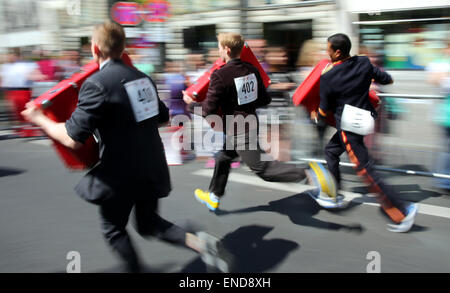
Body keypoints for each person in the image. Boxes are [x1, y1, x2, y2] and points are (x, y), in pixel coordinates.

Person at [21, 22, 233, 273]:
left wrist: (39, 119)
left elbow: (72, 137)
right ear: (123, 48)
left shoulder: (96, 83)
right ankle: (201, 243)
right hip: (151, 165)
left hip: (119, 173)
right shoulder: (142, 78)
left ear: (95, 48)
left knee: (113, 230)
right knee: (148, 224)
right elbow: (163, 117)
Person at [183, 32, 344, 212]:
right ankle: (214, 196)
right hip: (250, 122)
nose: (218, 51)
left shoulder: (220, 75)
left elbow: (208, 110)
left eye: (219, 47)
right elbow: (264, 100)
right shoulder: (251, 69)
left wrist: (191, 105)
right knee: (224, 157)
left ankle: (310, 174)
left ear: (227, 50)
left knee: (263, 169)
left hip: (238, 130)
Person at [312, 33, 418, 233]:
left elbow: (324, 110)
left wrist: (315, 114)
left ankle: (404, 210)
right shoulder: (363, 62)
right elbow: (387, 80)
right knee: (331, 151)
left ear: (337, 52)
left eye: (328, 49)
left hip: (349, 127)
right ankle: (334, 194)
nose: (326, 52)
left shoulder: (329, 76)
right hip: (363, 120)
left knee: (365, 171)